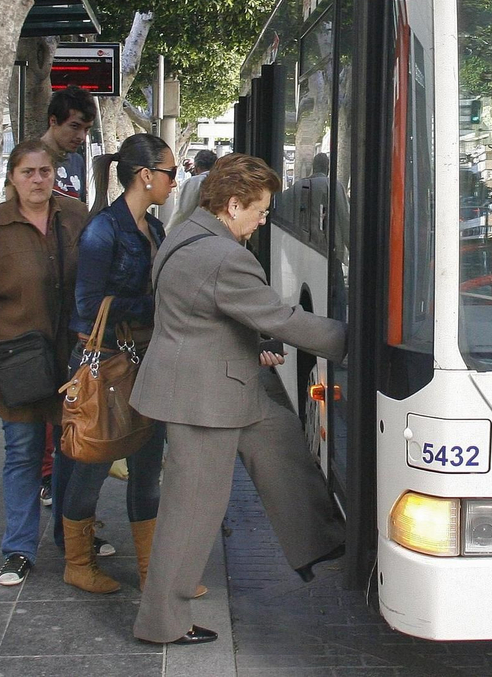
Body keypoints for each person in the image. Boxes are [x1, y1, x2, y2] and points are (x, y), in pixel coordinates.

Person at [131, 154, 346, 647]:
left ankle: (324, 542)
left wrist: (256, 345)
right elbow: (282, 318)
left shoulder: (187, 232)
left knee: (279, 436)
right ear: (232, 205)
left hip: (216, 382)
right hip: (205, 398)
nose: (265, 219)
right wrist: (354, 342)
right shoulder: (225, 256)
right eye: (262, 210)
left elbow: (210, 312)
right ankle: (162, 623)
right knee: (192, 514)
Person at [51, 132, 184, 595]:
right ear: (145, 176)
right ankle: (77, 563)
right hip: (104, 366)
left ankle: (152, 574)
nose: (175, 179)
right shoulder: (103, 229)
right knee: (90, 463)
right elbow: (88, 305)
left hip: (145, 363)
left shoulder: (155, 227)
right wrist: (155, 307)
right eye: (170, 171)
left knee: (147, 467)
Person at [0, 139, 88, 587]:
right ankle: (18, 549)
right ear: (12, 177)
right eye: (28, 172)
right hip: (16, 362)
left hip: (70, 359)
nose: (37, 180)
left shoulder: (75, 216)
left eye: (45, 171)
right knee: (23, 454)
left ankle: (73, 542)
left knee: (73, 451)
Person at [42, 87, 98, 204]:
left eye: (86, 129)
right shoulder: (27, 156)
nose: (81, 137)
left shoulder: (77, 161)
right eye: (75, 126)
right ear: (53, 121)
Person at [165, 149, 218, 233]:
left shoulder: (193, 182)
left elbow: (182, 213)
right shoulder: (224, 182)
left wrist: (167, 235)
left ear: (196, 168)